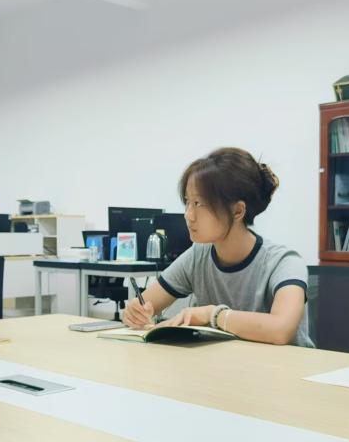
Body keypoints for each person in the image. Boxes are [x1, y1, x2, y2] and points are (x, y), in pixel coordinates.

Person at [121, 147, 313, 347]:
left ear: (237, 211)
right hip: (226, 364)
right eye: (187, 202)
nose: (188, 215)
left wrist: (212, 314)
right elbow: (145, 304)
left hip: (284, 365)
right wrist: (134, 313)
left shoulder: (284, 262)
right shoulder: (198, 256)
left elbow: (280, 330)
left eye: (199, 203)